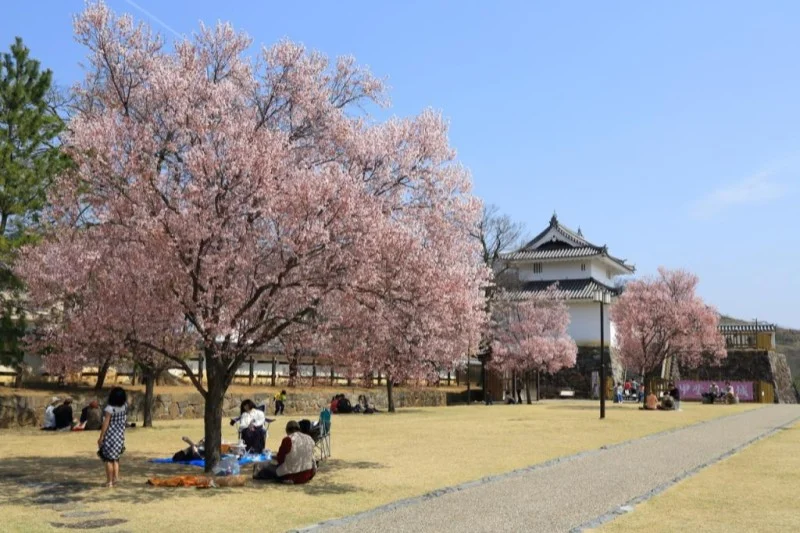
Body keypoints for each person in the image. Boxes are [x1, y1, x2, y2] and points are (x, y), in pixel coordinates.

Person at [97, 387, 127, 487]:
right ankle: (115, 479)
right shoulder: (124, 406)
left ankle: (109, 481)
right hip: (120, 436)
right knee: (116, 459)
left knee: (108, 459)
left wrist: (101, 437)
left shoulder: (109, 409)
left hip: (110, 437)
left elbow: (106, 423)